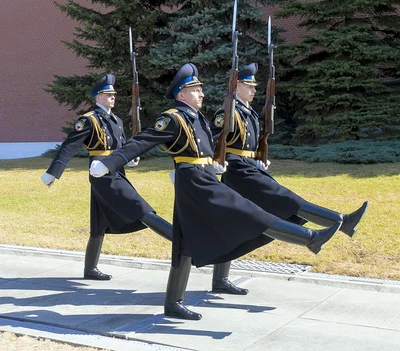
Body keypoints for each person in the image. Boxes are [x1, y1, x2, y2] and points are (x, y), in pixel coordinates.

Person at [89, 64, 341, 320]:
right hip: (194, 182)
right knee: (248, 211)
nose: (202, 94)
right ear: (181, 94)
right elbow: (142, 141)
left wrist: (215, 163)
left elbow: (206, 150)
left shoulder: (196, 118)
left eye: (200, 89)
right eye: (195, 90)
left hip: (204, 178)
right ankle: (309, 238)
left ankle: (173, 303)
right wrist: (109, 163)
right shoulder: (173, 118)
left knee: (185, 244)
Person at [211, 63, 369, 296]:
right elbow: (210, 139)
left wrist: (258, 159)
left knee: (234, 224)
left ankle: (220, 280)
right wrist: (212, 162)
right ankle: (340, 221)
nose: (254, 90)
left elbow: (249, 145)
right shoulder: (227, 112)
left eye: (255, 86)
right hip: (237, 173)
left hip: (248, 169)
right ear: (236, 86)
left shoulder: (248, 112)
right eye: (249, 86)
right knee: (286, 200)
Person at [41, 73, 172, 280]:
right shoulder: (89, 120)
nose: (113, 97)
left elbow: (120, 147)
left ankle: (90, 269)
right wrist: (53, 173)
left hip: (116, 171)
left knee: (99, 223)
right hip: (101, 175)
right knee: (140, 208)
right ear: (98, 97)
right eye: (108, 94)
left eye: (113, 94)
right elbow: (69, 146)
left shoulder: (117, 120)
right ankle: (180, 241)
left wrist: (128, 160)